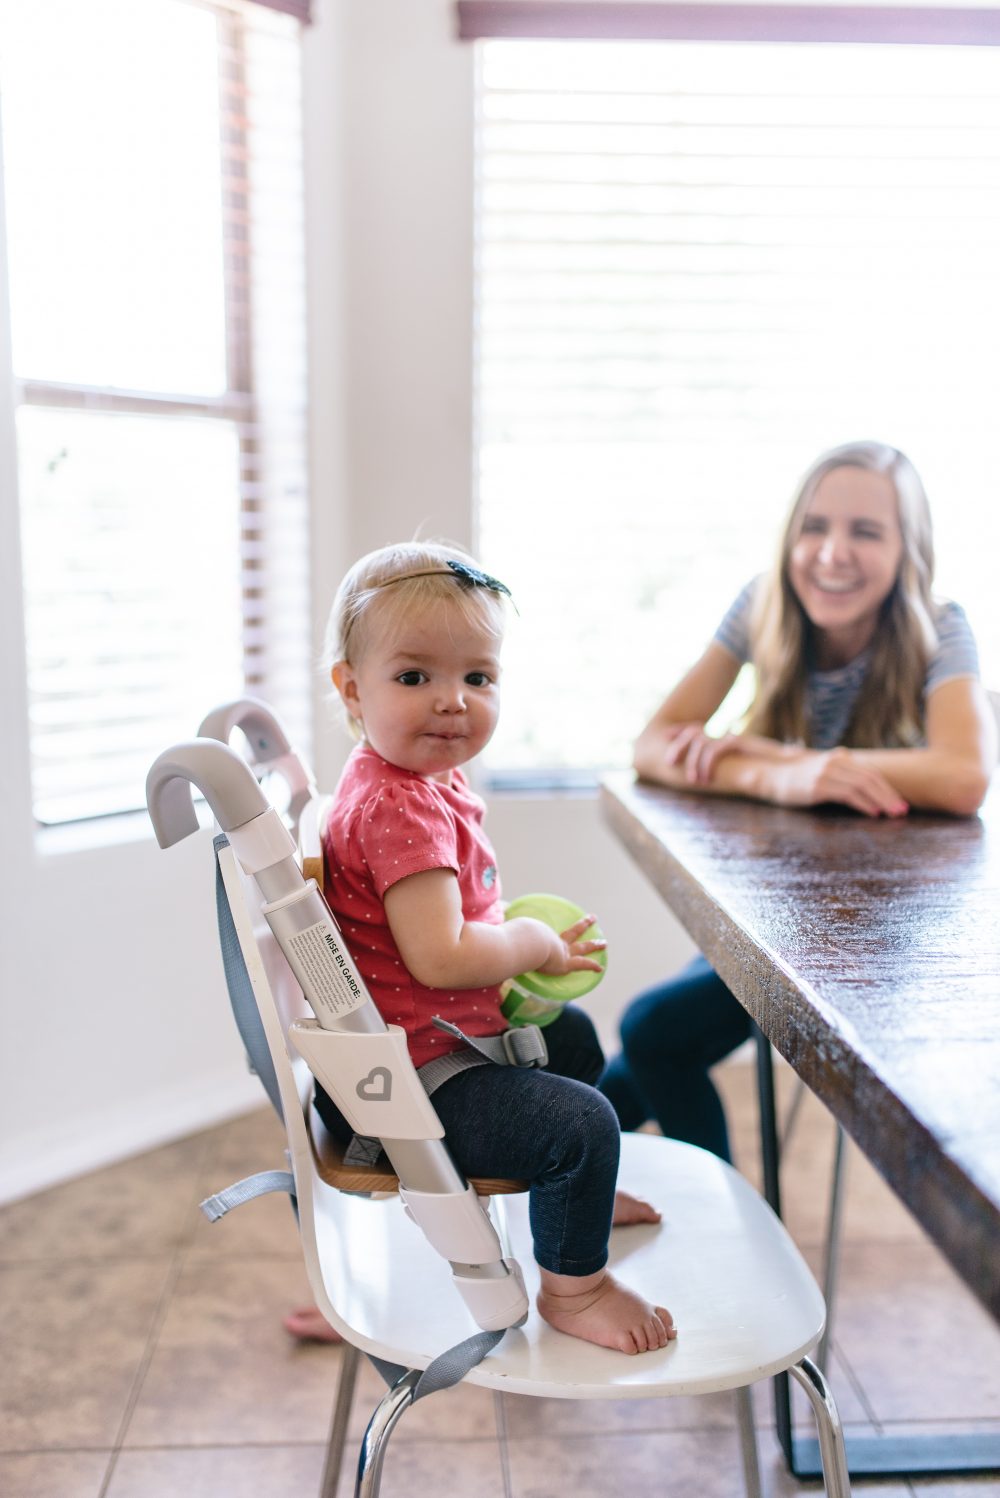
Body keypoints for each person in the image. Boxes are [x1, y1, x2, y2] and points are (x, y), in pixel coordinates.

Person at [299, 538, 674, 1356]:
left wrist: (524, 956)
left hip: (432, 1049)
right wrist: (529, 941)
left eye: (478, 677)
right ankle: (578, 1289)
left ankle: (571, 1198)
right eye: (414, 676)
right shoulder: (398, 809)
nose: (452, 701)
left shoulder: (420, 784)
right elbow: (441, 958)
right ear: (351, 688)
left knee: (572, 1038)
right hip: (406, 1090)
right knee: (586, 1125)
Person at [599, 440, 997, 1163]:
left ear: (910, 548)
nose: (832, 552)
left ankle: (701, 1224)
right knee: (644, 1052)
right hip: (776, 912)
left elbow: (965, 775)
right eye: (815, 526)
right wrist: (770, 774)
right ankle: (569, 1176)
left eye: (866, 531)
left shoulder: (942, 628)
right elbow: (654, 745)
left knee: (651, 1034)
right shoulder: (762, 604)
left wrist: (791, 759)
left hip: (878, 941)